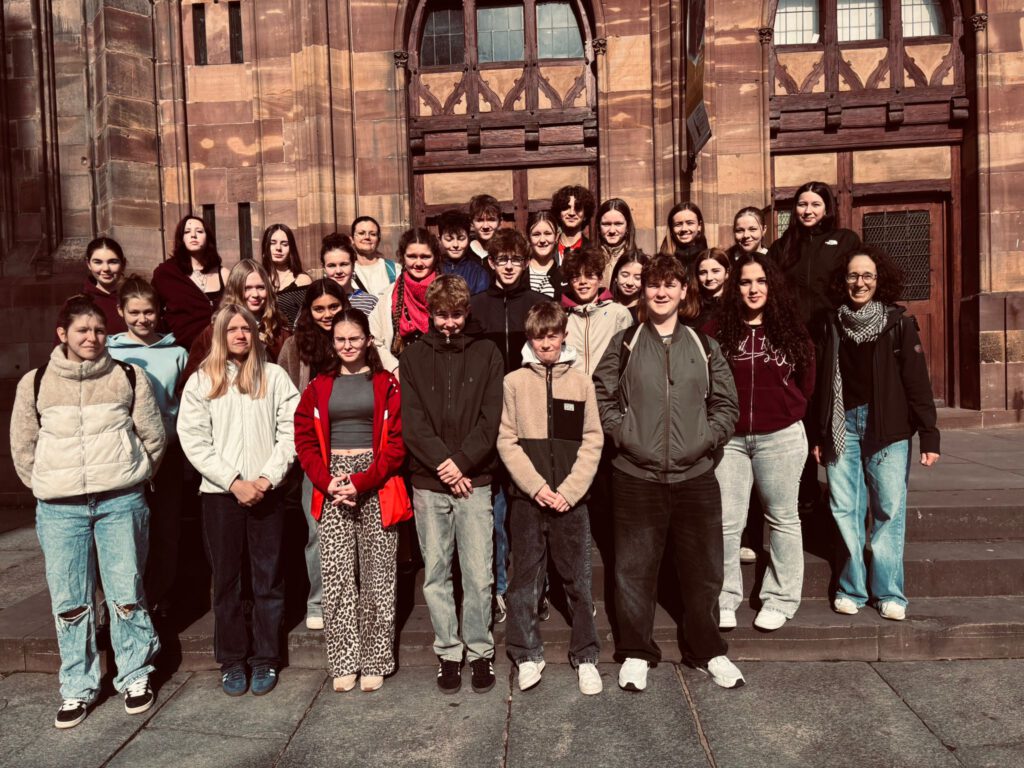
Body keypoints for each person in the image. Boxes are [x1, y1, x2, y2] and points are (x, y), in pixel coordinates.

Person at [10, 295, 165, 728]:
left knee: (126, 591)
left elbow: (153, 436)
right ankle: (78, 685)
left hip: (119, 502)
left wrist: (133, 472)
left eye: (99, 330)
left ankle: (135, 673)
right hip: (61, 510)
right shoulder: (36, 382)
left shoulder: (127, 376)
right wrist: (47, 483)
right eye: (82, 330)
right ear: (63, 334)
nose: (92, 337)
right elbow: (23, 445)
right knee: (70, 601)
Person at [592, 254, 744, 691]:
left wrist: (706, 438)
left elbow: (726, 403)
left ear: (682, 292)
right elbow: (601, 395)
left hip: (695, 475)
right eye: (653, 285)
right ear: (644, 291)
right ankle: (636, 651)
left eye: (669, 285)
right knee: (634, 570)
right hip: (635, 475)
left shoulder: (703, 344)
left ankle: (706, 650)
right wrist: (625, 434)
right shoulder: (625, 342)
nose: (661, 292)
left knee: (703, 570)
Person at [812, 246, 940, 622]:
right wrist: (818, 433)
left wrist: (929, 434)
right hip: (842, 426)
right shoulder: (831, 323)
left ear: (878, 280)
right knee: (845, 509)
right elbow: (819, 385)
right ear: (843, 280)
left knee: (888, 509)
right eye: (853, 275)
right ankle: (851, 587)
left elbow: (917, 382)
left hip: (888, 428)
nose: (860, 282)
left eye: (867, 275)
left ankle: (888, 592)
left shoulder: (898, 323)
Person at [178, 304, 299, 697]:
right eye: (232, 329)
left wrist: (266, 478)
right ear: (220, 335)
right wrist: (232, 481)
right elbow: (194, 439)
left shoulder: (274, 376)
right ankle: (232, 660)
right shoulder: (204, 380)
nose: (240, 335)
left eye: (246, 328)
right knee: (227, 581)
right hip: (221, 495)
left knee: (268, 578)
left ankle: (265, 656)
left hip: (266, 492)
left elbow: (291, 431)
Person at [400, 275, 504, 695]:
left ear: (467, 313)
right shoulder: (412, 356)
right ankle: (448, 651)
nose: (449, 322)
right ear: (430, 313)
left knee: (478, 573)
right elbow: (412, 421)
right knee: (437, 572)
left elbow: (491, 418)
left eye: (456, 314)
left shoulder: (487, 352)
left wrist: (461, 464)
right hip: (429, 480)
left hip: (474, 479)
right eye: (441, 314)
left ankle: (479, 651)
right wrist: (445, 466)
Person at [294, 309, 405, 693]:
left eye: (354, 338)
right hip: (333, 482)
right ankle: (344, 660)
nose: (347, 345)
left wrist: (362, 481)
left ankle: (375, 659)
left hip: (375, 480)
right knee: (338, 575)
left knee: (378, 575)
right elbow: (304, 438)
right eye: (340, 339)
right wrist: (327, 481)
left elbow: (396, 443)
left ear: (368, 340)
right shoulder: (319, 385)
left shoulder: (387, 384)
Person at [497, 301, 604, 695]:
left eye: (552, 335)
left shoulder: (581, 382)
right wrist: (536, 486)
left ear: (563, 335)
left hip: (571, 500)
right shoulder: (514, 382)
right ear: (530, 338)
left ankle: (586, 655)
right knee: (525, 578)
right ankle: (527, 654)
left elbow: (593, 439)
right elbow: (507, 440)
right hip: (529, 499)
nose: (546, 343)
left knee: (578, 578)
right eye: (539, 337)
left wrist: (570, 490)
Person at [707, 253, 815, 632]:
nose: (753, 289)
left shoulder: (790, 329)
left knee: (782, 518)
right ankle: (725, 597)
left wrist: (786, 410)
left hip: (780, 436)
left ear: (772, 285)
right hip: (731, 439)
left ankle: (780, 598)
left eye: (761, 281)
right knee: (726, 522)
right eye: (745, 282)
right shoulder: (718, 330)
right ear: (734, 287)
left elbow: (806, 382)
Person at [468, 229, 548, 623]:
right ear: (491, 263)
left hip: (530, 417)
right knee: (495, 510)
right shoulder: (476, 307)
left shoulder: (537, 305)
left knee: (531, 508)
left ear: (526, 261)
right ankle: (498, 587)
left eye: (516, 259)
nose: (510, 266)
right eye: (502, 259)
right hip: (489, 418)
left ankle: (535, 589)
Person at [108, 276, 189, 616]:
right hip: (123, 454)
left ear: (159, 312)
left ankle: (161, 595)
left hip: (167, 454)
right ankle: (126, 598)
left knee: (166, 529)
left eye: (149, 312)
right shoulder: (109, 353)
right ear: (120, 311)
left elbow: (183, 404)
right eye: (134, 312)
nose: (142, 319)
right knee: (125, 531)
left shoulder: (176, 353)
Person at [277, 279, 349, 630]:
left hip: (352, 444)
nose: (327, 314)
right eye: (319, 308)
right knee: (318, 528)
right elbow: (283, 398)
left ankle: (350, 596)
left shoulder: (353, 338)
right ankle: (318, 600)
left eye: (333, 307)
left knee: (353, 528)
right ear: (308, 310)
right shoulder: (294, 346)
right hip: (313, 451)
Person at [766, 180, 861, 329]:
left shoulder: (846, 240)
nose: (808, 211)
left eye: (816, 205)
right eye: (802, 204)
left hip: (834, 329)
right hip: (792, 330)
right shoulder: (781, 246)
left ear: (827, 209)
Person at [182, 260, 291, 385]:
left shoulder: (280, 334)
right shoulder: (213, 332)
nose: (255, 294)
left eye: (261, 287)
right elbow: (189, 385)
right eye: (247, 288)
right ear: (235, 290)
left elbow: (289, 383)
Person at [368, 228, 442, 372]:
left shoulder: (448, 292)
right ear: (402, 257)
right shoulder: (388, 296)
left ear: (435, 257)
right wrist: (394, 368)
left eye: (425, 257)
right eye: (412, 256)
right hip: (401, 375)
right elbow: (374, 339)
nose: (418, 263)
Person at [152, 215, 230, 352]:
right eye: (187, 232)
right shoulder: (165, 273)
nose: (193, 235)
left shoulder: (224, 274)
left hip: (218, 349)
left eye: (199, 231)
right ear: (181, 238)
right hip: (181, 350)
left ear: (208, 237)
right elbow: (152, 308)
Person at [560, 246, 633, 375]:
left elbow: (628, 361)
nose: (583, 282)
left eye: (589, 276)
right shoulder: (561, 317)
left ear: (600, 279)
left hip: (606, 387)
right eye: (576, 277)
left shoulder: (618, 314)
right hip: (572, 386)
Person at [261, 223, 311, 327]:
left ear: (291, 248)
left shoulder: (302, 280)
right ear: (266, 246)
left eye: (284, 244)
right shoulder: (258, 279)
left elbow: (308, 319)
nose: (278, 248)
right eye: (272, 243)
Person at [320, 233, 379, 316]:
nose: (338, 271)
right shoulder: (314, 300)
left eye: (344, 264)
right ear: (324, 268)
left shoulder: (371, 302)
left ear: (353, 265)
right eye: (332, 265)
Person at [437, 209, 490, 294]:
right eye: (449, 239)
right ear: (440, 239)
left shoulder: (478, 273)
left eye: (461, 239)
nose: (455, 245)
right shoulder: (434, 269)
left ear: (468, 238)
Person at [82, 237, 129, 334]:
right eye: (98, 262)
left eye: (113, 262)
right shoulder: (77, 304)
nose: (106, 268)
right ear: (88, 264)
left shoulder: (139, 296)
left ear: (123, 263)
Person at [596, 198, 643, 289]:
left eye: (618, 224)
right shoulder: (588, 259)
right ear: (598, 227)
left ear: (627, 226)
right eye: (606, 224)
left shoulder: (640, 260)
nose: (612, 231)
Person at [351, 215, 400, 296]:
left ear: (378, 239)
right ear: (352, 239)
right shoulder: (346, 271)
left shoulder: (394, 269)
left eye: (373, 234)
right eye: (361, 233)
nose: (367, 237)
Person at [659, 202, 709, 270]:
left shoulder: (710, 259)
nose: (684, 229)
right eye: (678, 224)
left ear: (699, 226)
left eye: (690, 223)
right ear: (671, 228)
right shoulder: (660, 263)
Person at [551, 185, 595, 261]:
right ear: (558, 213)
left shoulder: (592, 251)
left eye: (577, 208)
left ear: (585, 215)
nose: (572, 213)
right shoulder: (548, 249)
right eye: (566, 207)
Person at [691, 248, 731, 329]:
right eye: (703, 273)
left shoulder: (735, 304)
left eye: (715, 271)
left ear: (727, 273)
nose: (709, 278)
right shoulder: (691, 305)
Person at [526, 210, 563, 299]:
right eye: (536, 234)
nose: (542, 240)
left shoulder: (563, 275)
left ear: (556, 237)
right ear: (528, 238)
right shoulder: (519, 272)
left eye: (547, 234)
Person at [611, 251, 648, 323]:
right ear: (616, 276)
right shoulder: (605, 308)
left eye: (637, 278)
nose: (629, 283)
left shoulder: (648, 312)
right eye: (625, 275)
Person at [468, 194, 502, 260]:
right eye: (480, 220)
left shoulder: (508, 251)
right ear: (471, 223)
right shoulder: (463, 252)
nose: (485, 226)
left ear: (500, 222)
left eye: (491, 220)